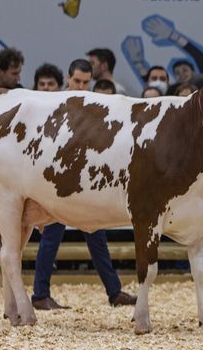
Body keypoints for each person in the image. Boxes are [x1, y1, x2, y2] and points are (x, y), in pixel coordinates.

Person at [31, 59, 137, 312]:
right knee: (51, 236)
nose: (80, 85)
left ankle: (113, 291)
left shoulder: (93, 105)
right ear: (68, 79)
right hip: (58, 182)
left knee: (96, 236)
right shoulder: (53, 105)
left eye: (84, 82)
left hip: (86, 182)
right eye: (76, 81)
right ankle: (39, 294)